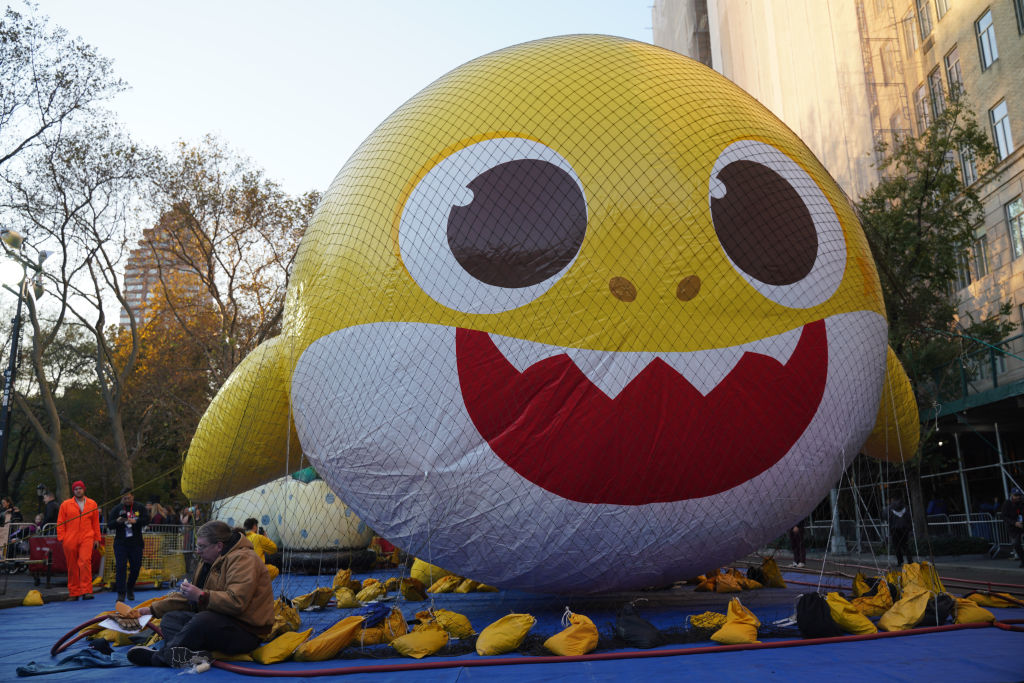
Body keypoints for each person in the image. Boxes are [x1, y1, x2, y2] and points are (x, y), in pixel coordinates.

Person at [127, 520, 274, 667]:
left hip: (246, 631)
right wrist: (152, 609)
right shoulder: (207, 561)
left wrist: (202, 596)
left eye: (202, 546)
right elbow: (188, 597)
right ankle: (190, 655)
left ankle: (161, 657)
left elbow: (237, 602)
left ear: (219, 546)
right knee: (171, 619)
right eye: (198, 546)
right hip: (220, 622)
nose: (198, 551)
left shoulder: (244, 559)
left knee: (202, 620)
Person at [56, 480, 103, 600]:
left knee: (85, 562)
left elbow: (95, 523)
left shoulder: (92, 504)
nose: (78, 490)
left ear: (84, 489)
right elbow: (60, 522)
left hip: (87, 536)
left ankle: (86, 590)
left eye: (80, 488)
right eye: (76, 489)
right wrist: (62, 538)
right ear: (73, 491)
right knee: (72, 566)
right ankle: (74, 592)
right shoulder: (65, 504)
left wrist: (97, 538)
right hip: (70, 538)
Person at [109, 486, 150, 601]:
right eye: (124, 498)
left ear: (133, 496)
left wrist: (136, 521)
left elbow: (147, 519)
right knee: (120, 567)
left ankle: (130, 587)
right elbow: (110, 524)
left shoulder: (139, 507)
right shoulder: (117, 509)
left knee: (136, 567)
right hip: (121, 542)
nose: (127, 500)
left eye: (129, 498)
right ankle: (121, 593)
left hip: (135, 542)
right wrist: (117, 521)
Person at [887, 495, 913, 566]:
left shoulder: (890, 508)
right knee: (905, 545)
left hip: (894, 529)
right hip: (904, 529)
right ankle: (910, 560)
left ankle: (900, 561)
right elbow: (909, 518)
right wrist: (909, 528)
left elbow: (886, 517)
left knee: (896, 546)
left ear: (892, 499)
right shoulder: (905, 507)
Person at [1002, 488, 1024, 568]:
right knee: (1016, 544)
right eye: (1016, 495)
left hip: (1022, 524)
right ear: (1011, 495)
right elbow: (1004, 516)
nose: (1018, 497)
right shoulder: (1007, 503)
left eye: (1019, 495)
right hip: (1013, 527)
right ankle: (1023, 560)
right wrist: (1014, 523)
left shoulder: (1022, 502)